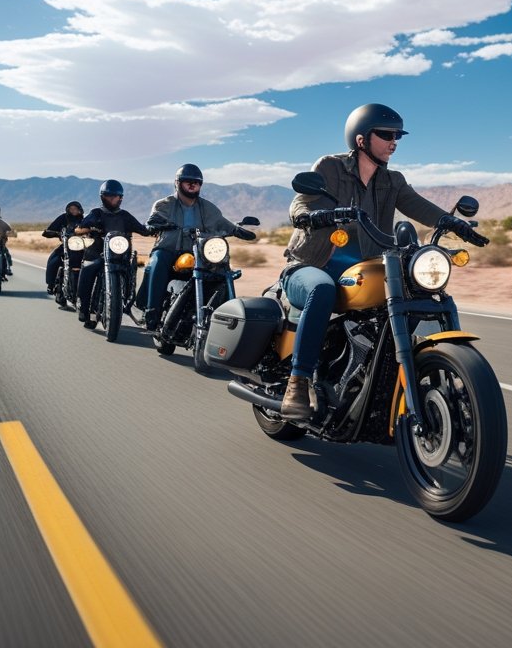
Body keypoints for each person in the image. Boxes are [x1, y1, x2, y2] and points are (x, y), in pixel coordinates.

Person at [280, 103, 488, 419]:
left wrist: (452, 223)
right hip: (312, 265)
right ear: (362, 139)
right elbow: (301, 203)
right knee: (321, 290)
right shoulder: (330, 168)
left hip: (362, 268)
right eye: (386, 134)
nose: (394, 142)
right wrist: (309, 216)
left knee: (413, 290)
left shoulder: (393, 181)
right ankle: (298, 381)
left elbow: (419, 206)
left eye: (397, 136)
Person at [138, 163, 256, 331]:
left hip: (196, 252)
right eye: (187, 181)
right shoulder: (164, 204)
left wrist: (237, 230)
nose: (192, 185)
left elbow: (221, 222)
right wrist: (155, 224)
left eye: (196, 182)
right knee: (158, 262)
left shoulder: (207, 207)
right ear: (178, 183)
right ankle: (152, 312)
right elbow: (155, 218)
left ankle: (224, 322)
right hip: (168, 249)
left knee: (222, 270)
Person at [74, 180, 150, 329]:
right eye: (109, 196)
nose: (113, 199)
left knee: (132, 272)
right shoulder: (97, 213)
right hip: (98, 253)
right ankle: (83, 307)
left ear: (121, 198)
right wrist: (90, 228)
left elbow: (143, 229)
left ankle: (129, 304)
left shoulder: (125, 215)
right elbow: (78, 229)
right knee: (88, 271)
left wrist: (152, 228)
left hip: (121, 256)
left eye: (115, 196)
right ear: (103, 197)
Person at [41, 201, 85, 293]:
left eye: (75, 209)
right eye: (71, 209)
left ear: (80, 210)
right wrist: (51, 232)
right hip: (67, 245)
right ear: (68, 210)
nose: (73, 211)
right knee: (54, 259)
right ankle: (51, 284)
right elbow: (51, 228)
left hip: (81, 246)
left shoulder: (84, 220)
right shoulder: (63, 218)